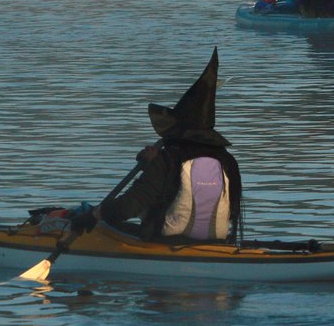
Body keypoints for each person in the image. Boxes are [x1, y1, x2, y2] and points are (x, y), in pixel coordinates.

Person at [95, 48, 244, 242]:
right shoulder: (227, 162)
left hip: (164, 241)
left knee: (103, 222)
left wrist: (95, 214)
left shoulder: (168, 161)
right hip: (216, 242)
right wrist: (151, 165)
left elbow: (127, 208)